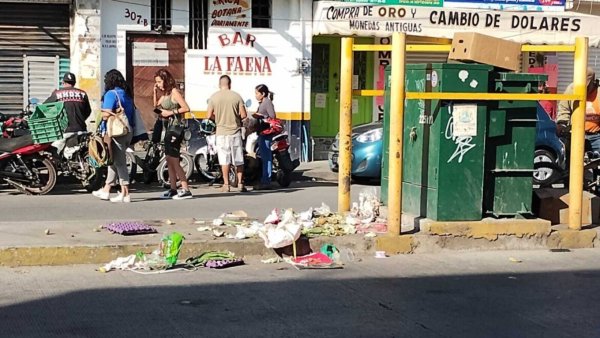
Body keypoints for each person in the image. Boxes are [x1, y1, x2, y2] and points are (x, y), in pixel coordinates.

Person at [92, 69, 135, 203]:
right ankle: (106, 190)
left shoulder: (111, 94)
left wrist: (103, 113)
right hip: (128, 131)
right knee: (113, 161)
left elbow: (106, 114)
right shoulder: (126, 94)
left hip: (116, 132)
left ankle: (125, 193)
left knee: (119, 163)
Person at [154, 68, 193, 200]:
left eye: (159, 81)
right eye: (156, 82)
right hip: (168, 128)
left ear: (165, 80)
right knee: (169, 159)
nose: (158, 84)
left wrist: (170, 113)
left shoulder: (174, 92)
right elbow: (156, 105)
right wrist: (154, 92)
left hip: (176, 128)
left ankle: (185, 188)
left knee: (174, 159)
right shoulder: (165, 94)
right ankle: (173, 188)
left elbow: (186, 108)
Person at [207, 75, 248, 192]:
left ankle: (226, 184)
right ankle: (240, 183)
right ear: (230, 84)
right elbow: (244, 115)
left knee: (224, 159)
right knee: (238, 159)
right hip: (235, 132)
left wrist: (218, 118)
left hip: (221, 133)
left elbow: (208, 116)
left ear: (219, 84)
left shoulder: (214, 98)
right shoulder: (237, 97)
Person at [557, 67, 600, 152]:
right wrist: (562, 124)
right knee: (567, 156)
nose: (583, 89)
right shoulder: (571, 89)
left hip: (595, 137)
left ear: (592, 82)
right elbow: (564, 109)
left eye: (586, 87)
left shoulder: (598, 92)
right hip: (575, 134)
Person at [254, 84, 276, 190]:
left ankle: (266, 180)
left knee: (266, 157)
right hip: (261, 131)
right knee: (263, 156)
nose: (255, 95)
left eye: (257, 93)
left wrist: (263, 117)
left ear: (263, 94)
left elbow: (272, 116)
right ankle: (264, 178)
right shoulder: (262, 103)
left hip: (266, 132)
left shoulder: (267, 102)